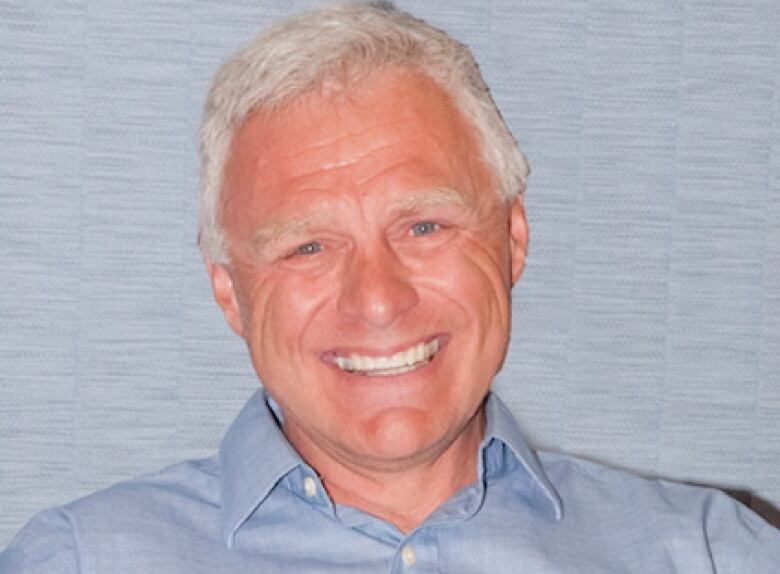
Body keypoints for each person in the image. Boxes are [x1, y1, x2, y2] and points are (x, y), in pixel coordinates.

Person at [2, 2, 778, 572]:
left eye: (424, 227)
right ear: (230, 294)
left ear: (511, 240)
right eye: (308, 246)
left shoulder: (711, 553)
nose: (377, 299)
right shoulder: (79, 560)